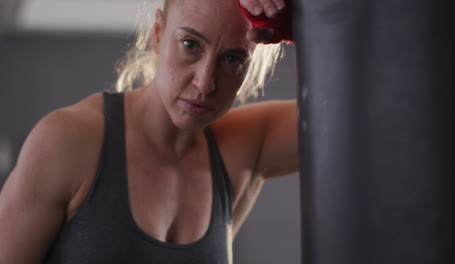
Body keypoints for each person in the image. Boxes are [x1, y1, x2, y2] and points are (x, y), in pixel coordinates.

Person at [0, 0, 296, 263]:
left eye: (232, 59)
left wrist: (312, 22)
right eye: (191, 44)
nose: (205, 83)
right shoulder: (68, 141)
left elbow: (340, 119)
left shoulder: (243, 146)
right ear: (158, 32)